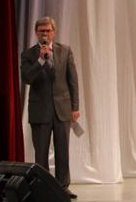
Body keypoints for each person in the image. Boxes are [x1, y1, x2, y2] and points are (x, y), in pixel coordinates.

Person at [20, 17, 80, 199]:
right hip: (40, 110)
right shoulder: (28, 54)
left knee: (63, 151)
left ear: (54, 32)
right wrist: (40, 60)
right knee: (41, 152)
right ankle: (42, 188)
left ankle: (63, 187)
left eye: (48, 30)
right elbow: (27, 78)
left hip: (62, 109)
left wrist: (75, 107)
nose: (45, 34)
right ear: (36, 33)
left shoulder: (65, 51)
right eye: (41, 31)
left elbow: (73, 80)